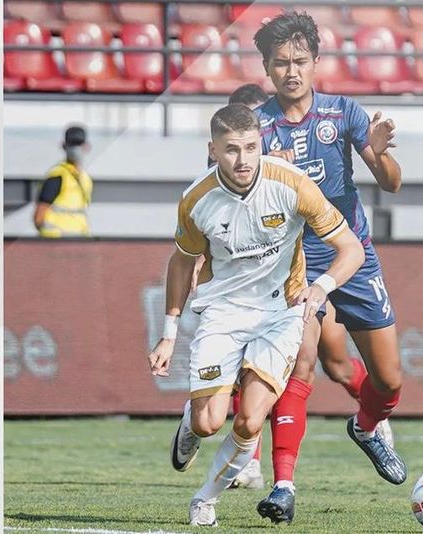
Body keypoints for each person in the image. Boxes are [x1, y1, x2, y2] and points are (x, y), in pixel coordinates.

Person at [147, 104, 365, 527]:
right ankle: (191, 425)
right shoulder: (197, 200)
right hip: (222, 313)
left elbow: (351, 249)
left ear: (260, 143)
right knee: (209, 422)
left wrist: (319, 289)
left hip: (281, 312)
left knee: (249, 420)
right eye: (231, 150)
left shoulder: (292, 184)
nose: (243, 159)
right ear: (213, 150)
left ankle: (205, 499)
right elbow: (181, 261)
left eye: (250, 147)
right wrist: (169, 333)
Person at [251, 11, 407, 524]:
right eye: (281, 63)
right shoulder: (259, 126)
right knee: (303, 363)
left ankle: (365, 427)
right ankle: (283, 486)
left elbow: (391, 183)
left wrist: (380, 156)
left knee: (387, 381)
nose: (291, 71)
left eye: (299, 61)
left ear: (316, 63)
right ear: (268, 70)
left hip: (351, 255)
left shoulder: (344, 113)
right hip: (292, 266)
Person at [33, 125, 93, 238]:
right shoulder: (57, 175)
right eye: (72, 145)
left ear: (86, 147)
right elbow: (39, 214)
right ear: (64, 146)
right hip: (55, 240)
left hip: (79, 239)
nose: (75, 149)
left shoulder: (85, 178)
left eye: (78, 144)